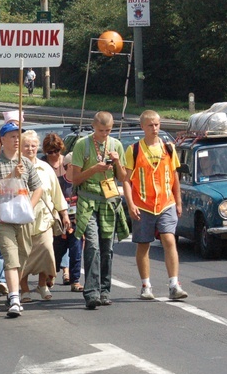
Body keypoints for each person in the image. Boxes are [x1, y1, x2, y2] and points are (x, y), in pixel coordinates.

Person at [122, 110, 188, 301]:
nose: (155, 128)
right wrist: (130, 204)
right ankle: (146, 285)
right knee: (144, 245)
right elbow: (127, 180)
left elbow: (175, 176)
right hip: (143, 205)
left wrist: (178, 201)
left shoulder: (168, 148)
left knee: (169, 240)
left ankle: (174, 284)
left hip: (166, 203)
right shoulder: (134, 150)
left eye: (157, 124)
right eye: (150, 125)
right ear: (143, 127)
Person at [0, 122, 43, 317]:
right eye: (12, 136)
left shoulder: (25, 162)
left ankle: (13, 291)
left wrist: (30, 206)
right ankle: (15, 298)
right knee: (10, 257)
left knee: (23, 255)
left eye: (19, 136)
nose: (17, 140)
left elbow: (38, 187)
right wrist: (11, 176)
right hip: (2, 217)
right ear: (2, 140)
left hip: (22, 216)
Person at [71, 111, 128, 310]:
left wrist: (117, 162)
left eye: (108, 131)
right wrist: (94, 169)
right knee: (93, 245)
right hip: (88, 201)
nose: (104, 134)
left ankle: (105, 290)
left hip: (109, 201)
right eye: (101, 130)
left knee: (107, 248)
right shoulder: (82, 145)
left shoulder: (116, 145)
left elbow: (122, 177)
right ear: (93, 127)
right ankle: (91, 292)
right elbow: (75, 179)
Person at [19, 130, 71, 301]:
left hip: (44, 219)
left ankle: (42, 285)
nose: (30, 149)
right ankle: (24, 289)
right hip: (21, 220)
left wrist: (64, 214)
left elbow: (57, 193)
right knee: (23, 256)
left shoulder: (46, 168)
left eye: (33, 145)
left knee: (47, 251)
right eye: (26, 145)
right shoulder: (15, 167)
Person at [55, 153, 83, 291]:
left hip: (77, 224)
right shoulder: (59, 182)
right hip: (60, 225)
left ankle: (75, 281)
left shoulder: (82, 183)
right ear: (70, 166)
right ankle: (49, 275)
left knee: (76, 252)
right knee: (56, 254)